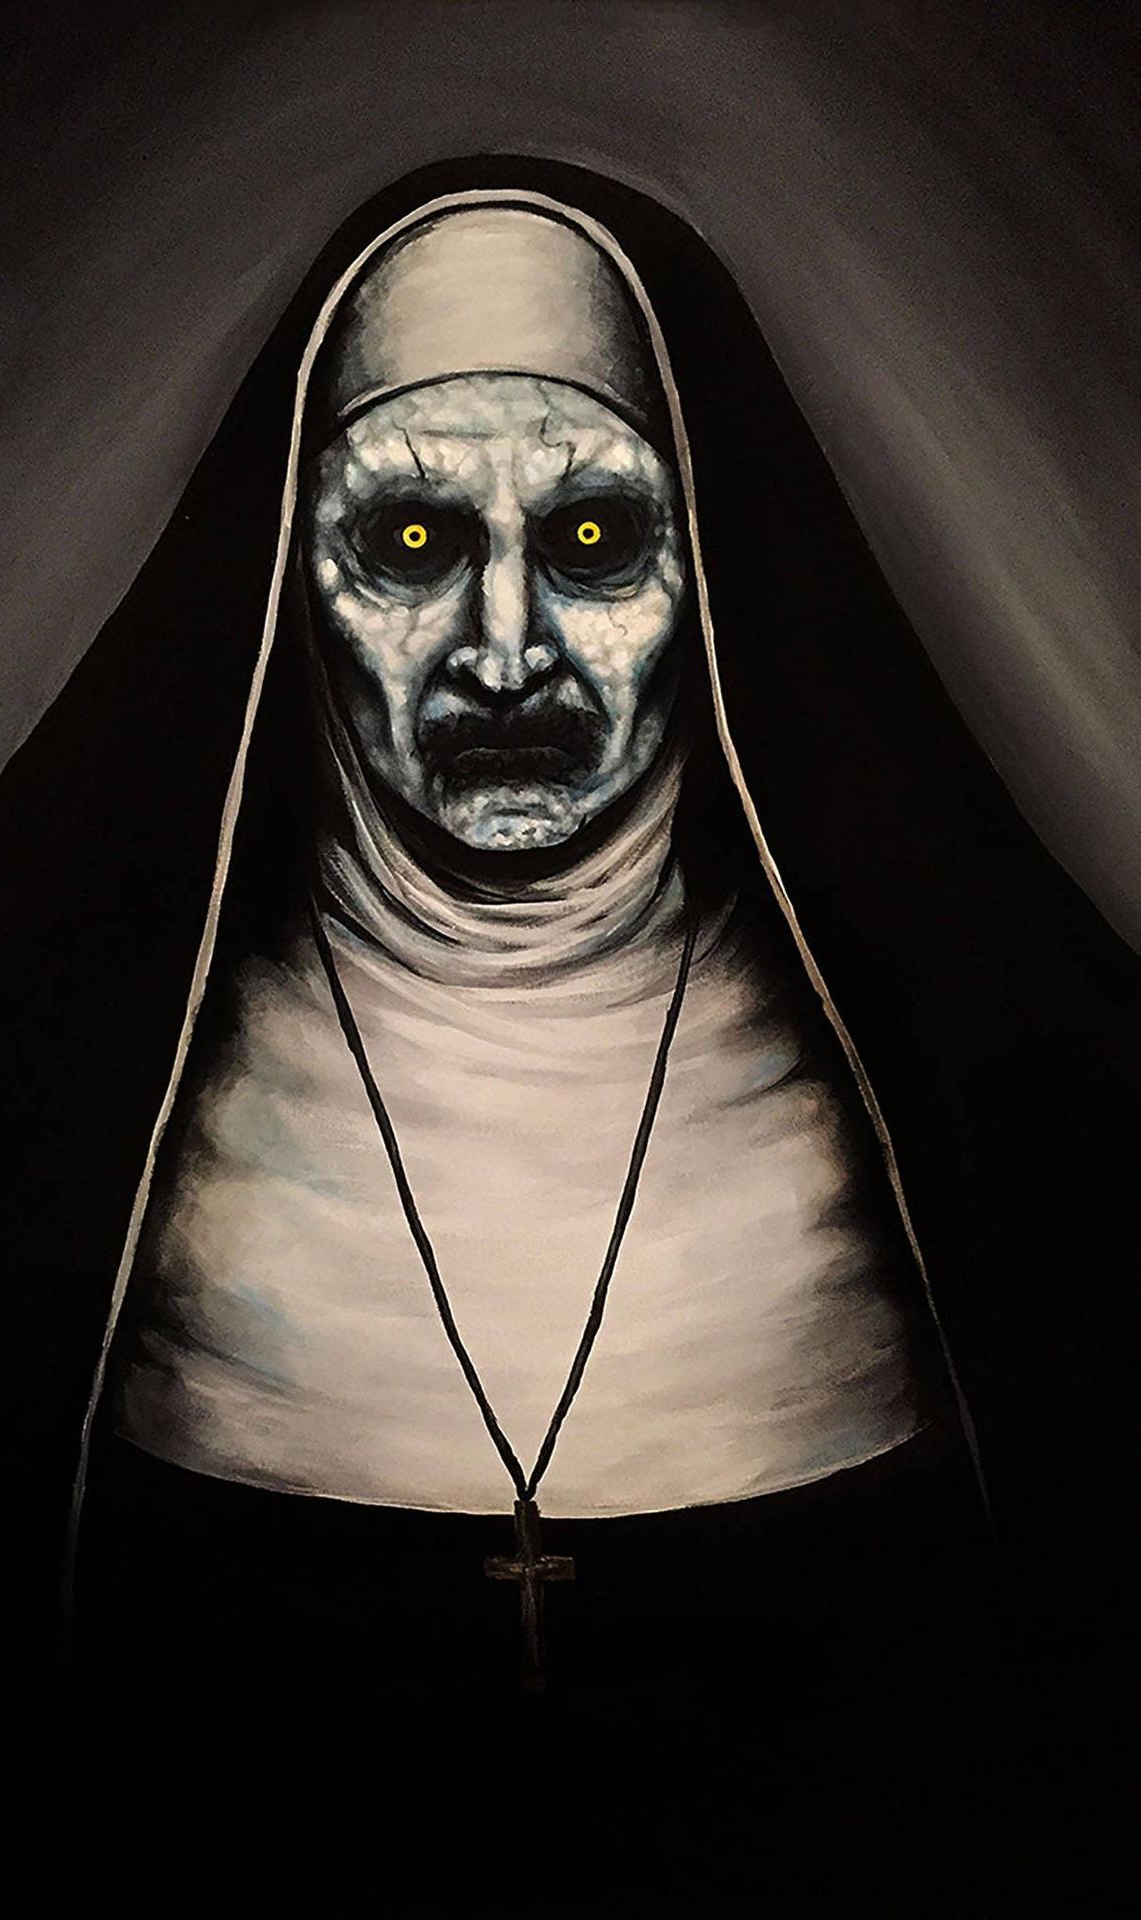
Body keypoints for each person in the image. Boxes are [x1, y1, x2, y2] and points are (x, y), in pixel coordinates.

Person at [69, 194, 1034, 1914]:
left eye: (593, 539)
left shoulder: (1002, 1107)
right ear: (287, 573)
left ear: (709, 566)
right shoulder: (67, 1114)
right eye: (411, 541)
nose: (504, 652)